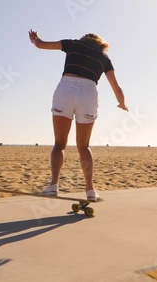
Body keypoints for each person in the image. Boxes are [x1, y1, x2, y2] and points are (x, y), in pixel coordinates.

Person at [28, 29, 128, 202]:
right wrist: (122, 103)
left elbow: (42, 45)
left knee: (59, 144)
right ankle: (90, 190)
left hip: (65, 89)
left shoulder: (73, 44)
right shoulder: (103, 57)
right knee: (84, 146)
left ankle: (53, 186)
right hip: (88, 93)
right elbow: (116, 88)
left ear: (84, 39)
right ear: (100, 44)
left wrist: (35, 40)